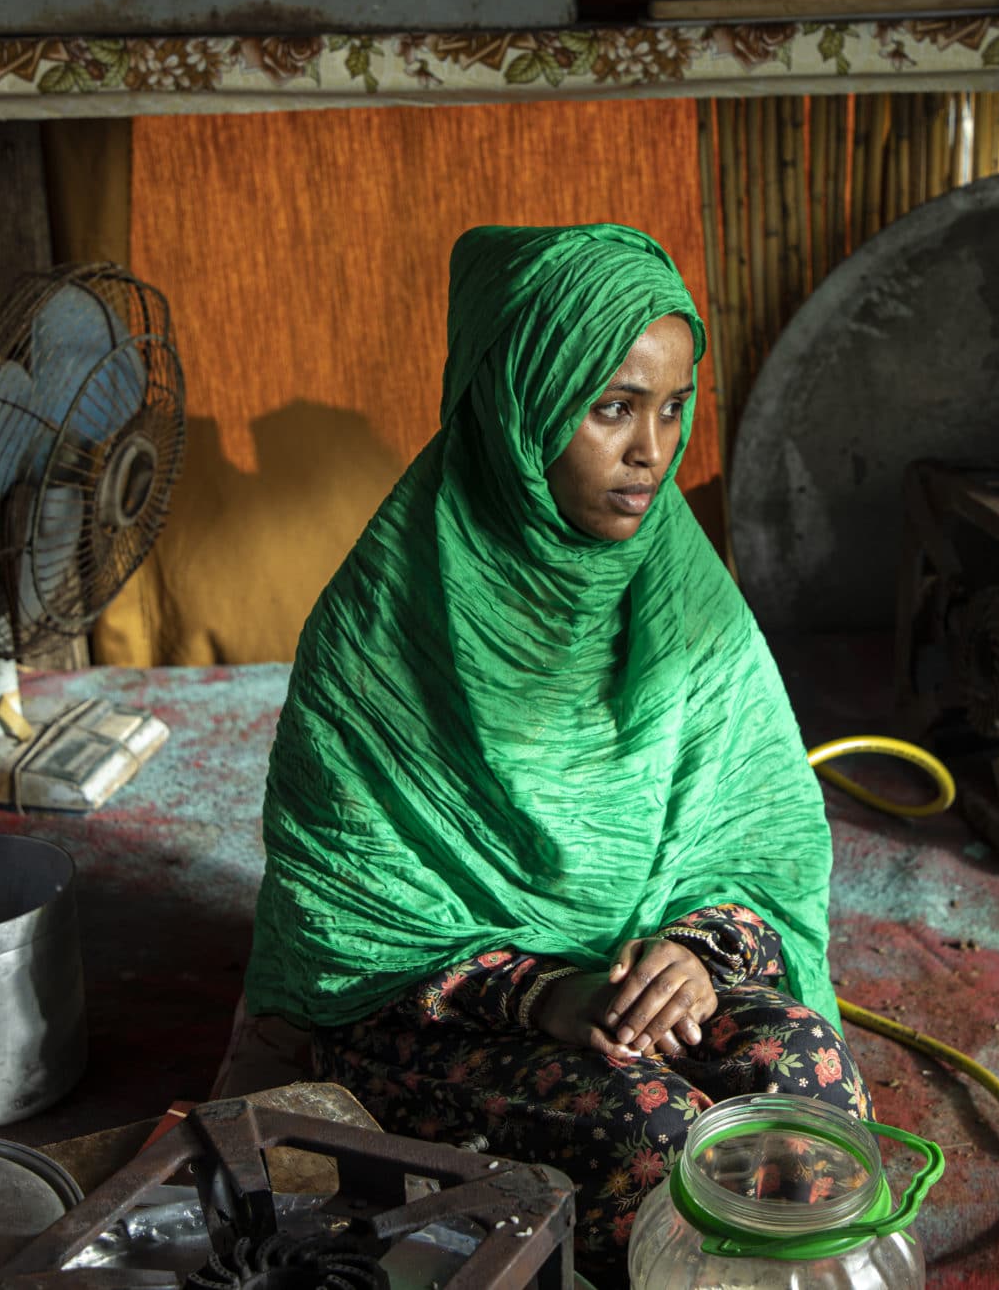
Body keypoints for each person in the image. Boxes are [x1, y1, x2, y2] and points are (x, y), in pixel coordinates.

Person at [246, 223, 868, 1278]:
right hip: (443, 1003)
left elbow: (757, 842)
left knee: (799, 1084)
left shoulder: (687, 600)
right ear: (519, 402)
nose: (651, 453)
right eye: (611, 407)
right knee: (653, 1133)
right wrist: (541, 994)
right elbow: (346, 924)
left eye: (672, 409)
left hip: (651, 974)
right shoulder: (384, 626)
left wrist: (692, 955)